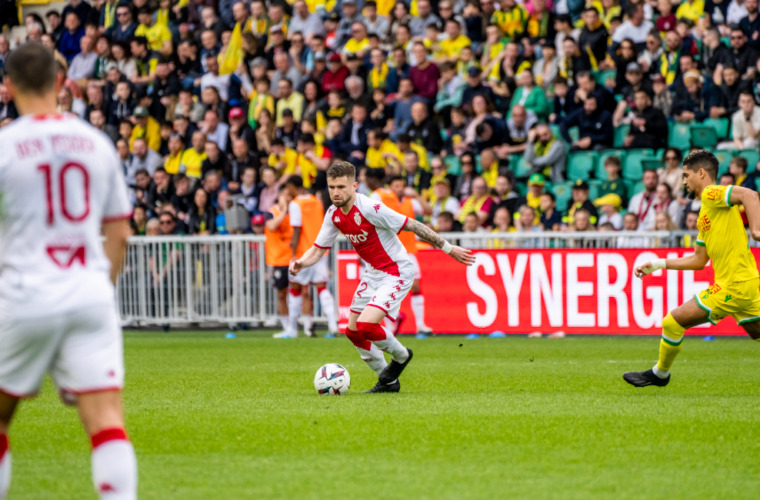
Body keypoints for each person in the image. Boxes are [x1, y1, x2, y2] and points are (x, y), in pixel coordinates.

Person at [0, 42, 136, 499]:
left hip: (25, 293)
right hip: (89, 293)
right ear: (60, 82)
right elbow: (119, 234)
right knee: (106, 422)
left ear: (8, 86)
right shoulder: (95, 142)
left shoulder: (6, 145)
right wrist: (102, 290)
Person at [290, 160, 474, 393]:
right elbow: (318, 248)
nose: (336, 193)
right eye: (331, 187)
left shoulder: (370, 208)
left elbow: (414, 225)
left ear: (354, 186)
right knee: (353, 331)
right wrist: (301, 262)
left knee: (367, 325)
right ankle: (387, 381)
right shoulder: (333, 214)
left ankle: (402, 356)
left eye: (341, 187)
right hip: (374, 272)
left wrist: (448, 248)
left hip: (396, 271)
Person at [625, 150, 760, 387]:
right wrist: (658, 264)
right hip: (744, 284)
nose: (684, 181)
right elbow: (699, 260)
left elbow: (750, 194)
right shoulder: (705, 214)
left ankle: (660, 374)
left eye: (686, 175)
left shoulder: (711, 193)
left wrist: (757, 230)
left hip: (733, 286)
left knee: (672, 322)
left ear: (701, 173)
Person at [284, 176, 338, 338]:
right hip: (320, 250)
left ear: (293, 187)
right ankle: (332, 325)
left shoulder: (295, 204)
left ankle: (293, 329)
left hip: (303, 253)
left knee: (295, 288)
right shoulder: (316, 200)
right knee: (321, 287)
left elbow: (297, 230)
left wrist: (293, 254)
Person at [265, 185, 294, 337]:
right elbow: (271, 226)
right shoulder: (272, 212)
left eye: (290, 195)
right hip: (278, 260)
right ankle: (287, 327)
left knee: (300, 292)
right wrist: (283, 211)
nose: (288, 198)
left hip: (295, 259)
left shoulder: (296, 212)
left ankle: (301, 327)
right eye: (286, 195)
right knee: (281, 294)